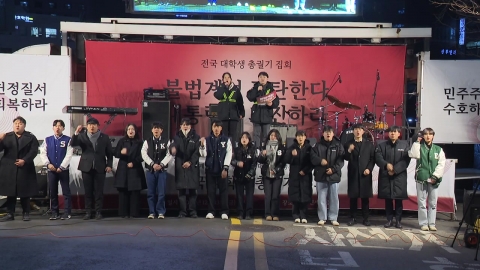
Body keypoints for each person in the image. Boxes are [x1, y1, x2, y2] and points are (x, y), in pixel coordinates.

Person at [72, 118, 113, 220]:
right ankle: (88, 212)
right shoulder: (82, 136)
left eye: (94, 124)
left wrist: (109, 165)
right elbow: (73, 143)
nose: (92, 126)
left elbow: (109, 154)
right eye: (89, 124)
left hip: (100, 167)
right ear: (87, 126)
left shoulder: (105, 137)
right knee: (88, 191)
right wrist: (76, 132)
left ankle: (98, 212)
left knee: (99, 192)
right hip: (86, 167)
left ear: (98, 126)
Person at [0, 116, 39, 222]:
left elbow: (34, 151)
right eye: (16, 123)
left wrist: (24, 160)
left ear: (24, 126)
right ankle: (10, 213)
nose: (17, 125)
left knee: (25, 192)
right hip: (9, 168)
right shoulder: (7, 136)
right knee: (10, 192)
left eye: (20, 123)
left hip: (24, 167)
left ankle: (26, 213)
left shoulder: (30, 137)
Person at [408, 128, 446, 231]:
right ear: (423, 136)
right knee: (421, 202)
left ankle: (432, 223)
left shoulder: (438, 149)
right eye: (425, 134)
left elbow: (441, 164)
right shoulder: (419, 147)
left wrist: (435, 176)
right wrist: (416, 142)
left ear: (433, 136)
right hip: (421, 178)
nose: (428, 136)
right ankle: (424, 223)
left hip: (434, 180)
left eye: (430, 134)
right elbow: (413, 155)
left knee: (433, 203)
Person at [375, 126, 411, 229]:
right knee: (388, 199)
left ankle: (398, 221)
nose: (392, 134)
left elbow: (406, 161)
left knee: (398, 199)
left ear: (399, 134)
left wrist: (395, 170)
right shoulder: (381, 145)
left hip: (399, 176)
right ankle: (389, 220)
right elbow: (378, 158)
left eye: (395, 132)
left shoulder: (405, 145)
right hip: (386, 175)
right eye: (391, 132)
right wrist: (387, 165)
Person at [39, 120, 74, 220]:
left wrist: (62, 166)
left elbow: (69, 154)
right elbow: (43, 153)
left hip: (63, 170)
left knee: (66, 191)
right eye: (55, 126)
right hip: (51, 170)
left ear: (63, 128)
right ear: (53, 128)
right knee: (53, 192)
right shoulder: (47, 139)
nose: (57, 128)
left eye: (60, 126)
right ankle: (55, 213)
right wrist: (48, 164)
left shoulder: (68, 139)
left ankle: (67, 212)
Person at [311, 126, 345, 226]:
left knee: (334, 197)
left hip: (334, 175)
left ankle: (333, 217)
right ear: (323, 134)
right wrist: (320, 161)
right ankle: (322, 217)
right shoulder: (317, 145)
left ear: (333, 134)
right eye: (326, 132)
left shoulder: (338, 145)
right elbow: (312, 157)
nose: (328, 134)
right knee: (321, 198)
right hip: (321, 175)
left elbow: (341, 160)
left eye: (330, 132)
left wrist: (333, 169)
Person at [200, 119, 233, 220]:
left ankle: (224, 211)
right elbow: (203, 154)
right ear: (212, 128)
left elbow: (229, 154)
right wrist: (201, 146)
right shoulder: (207, 139)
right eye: (215, 127)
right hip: (210, 169)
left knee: (223, 191)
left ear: (221, 128)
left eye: (218, 127)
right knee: (211, 191)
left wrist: (225, 168)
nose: (216, 129)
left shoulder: (226, 140)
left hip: (221, 169)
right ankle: (211, 211)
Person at [344, 124, 375, 226]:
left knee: (365, 198)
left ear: (363, 131)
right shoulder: (348, 143)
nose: (358, 131)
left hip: (365, 174)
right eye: (356, 130)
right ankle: (353, 218)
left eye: (360, 130)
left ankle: (366, 218)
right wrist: (349, 151)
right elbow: (345, 157)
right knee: (353, 197)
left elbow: (372, 159)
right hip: (353, 173)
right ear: (353, 131)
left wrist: (369, 169)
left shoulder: (369, 144)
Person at [141, 122, 173, 219]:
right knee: (150, 192)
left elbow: (169, 154)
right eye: (155, 128)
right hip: (150, 170)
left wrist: (161, 164)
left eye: (158, 128)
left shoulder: (167, 141)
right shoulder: (147, 141)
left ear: (161, 130)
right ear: (152, 130)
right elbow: (144, 154)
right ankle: (152, 212)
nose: (156, 130)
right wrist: (152, 164)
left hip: (162, 171)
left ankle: (160, 212)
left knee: (161, 192)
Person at [114, 124, 146, 218]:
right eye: (129, 129)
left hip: (135, 168)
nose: (130, 131)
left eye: (132, 129)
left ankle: (134, 213)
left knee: (135, 191)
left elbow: (142, 155)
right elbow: (115, 153)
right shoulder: (122, 141)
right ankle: (123, 213)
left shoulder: (140, 142)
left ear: (135, 131)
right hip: (123, 168)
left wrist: (134, 162)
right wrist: (121, 152)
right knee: (123, 191)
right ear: (126, 131)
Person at [171, 118, 201, 218]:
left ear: (190, 126)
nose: (185, 126)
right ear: (180, 126)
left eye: (187, 124)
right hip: (180, 166)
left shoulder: (196, 137)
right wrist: (172, 150)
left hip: (192, 166)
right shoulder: (176, 137)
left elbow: (197, 152)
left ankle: (193, 211)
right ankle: (182, 211)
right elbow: (173, 147)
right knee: (181, 191)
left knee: (193, 191)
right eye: (183, 124)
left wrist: (190, 162)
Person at [284, 130, 313, 223]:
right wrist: (292, 156)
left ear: (305, 137)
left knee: (305, 195)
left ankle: (304, 215)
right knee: (295, 195)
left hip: (305, 175)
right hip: (295, 175)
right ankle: (296, 215)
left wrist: (305, 170)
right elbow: (286, 160)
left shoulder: (309, 148)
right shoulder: (291, 148)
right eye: (298, 136)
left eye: (302, 136)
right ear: (296, 137)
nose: (300, 138)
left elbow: (312, 162)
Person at [258, 129, 286, 221]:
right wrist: (263, 155)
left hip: (277, 174)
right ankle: (267, 214)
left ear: (278, 137)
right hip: (266, 174)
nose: (273, 137)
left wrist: (276, 170)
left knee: (275, 195)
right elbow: (260, 160)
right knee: (268, 195)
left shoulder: (282, 147)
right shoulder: (264, 146)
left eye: (274, 135)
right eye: (271, 135)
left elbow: (283, 162)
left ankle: (275, 214)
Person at [246, 72, 280, 147]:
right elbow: (250, 97)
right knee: (256, 135)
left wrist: (271, 104)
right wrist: (257, 90)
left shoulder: (271, 89)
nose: (262, 78)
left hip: (267, 115)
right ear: (258, 79)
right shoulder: (254, 88)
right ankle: (257, 151)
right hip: (256, 114)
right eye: (260, 77)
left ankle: (265, 151)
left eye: (264, 77)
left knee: (266, 135)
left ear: (267, 79)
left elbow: (276, 102)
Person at [231, 132, 257, 220]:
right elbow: (232, 160)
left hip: (249, 176)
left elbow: (254, 164)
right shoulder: (236, 149)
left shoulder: (253, 149)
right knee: (239, 195)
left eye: (246, 137)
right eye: (242, 137)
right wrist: (237, 163)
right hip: (239, 175)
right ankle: (240, 213)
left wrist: (250, 173)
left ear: (249, 139)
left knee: (249, 195)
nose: (244, 139)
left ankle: (249, 213)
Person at [213, 72, 245, 143]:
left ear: (231, 79)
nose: (226, 79)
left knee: (233, 136)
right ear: (223, 80)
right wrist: (223, 87)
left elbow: (240, 102)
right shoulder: (220, 88)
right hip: (223, 116)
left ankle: (233, 152)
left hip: (234, 116)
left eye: (228, 77)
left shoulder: (236, 89)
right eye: (225, 78)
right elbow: (218, 96)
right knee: (224, 135)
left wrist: (241, 113)